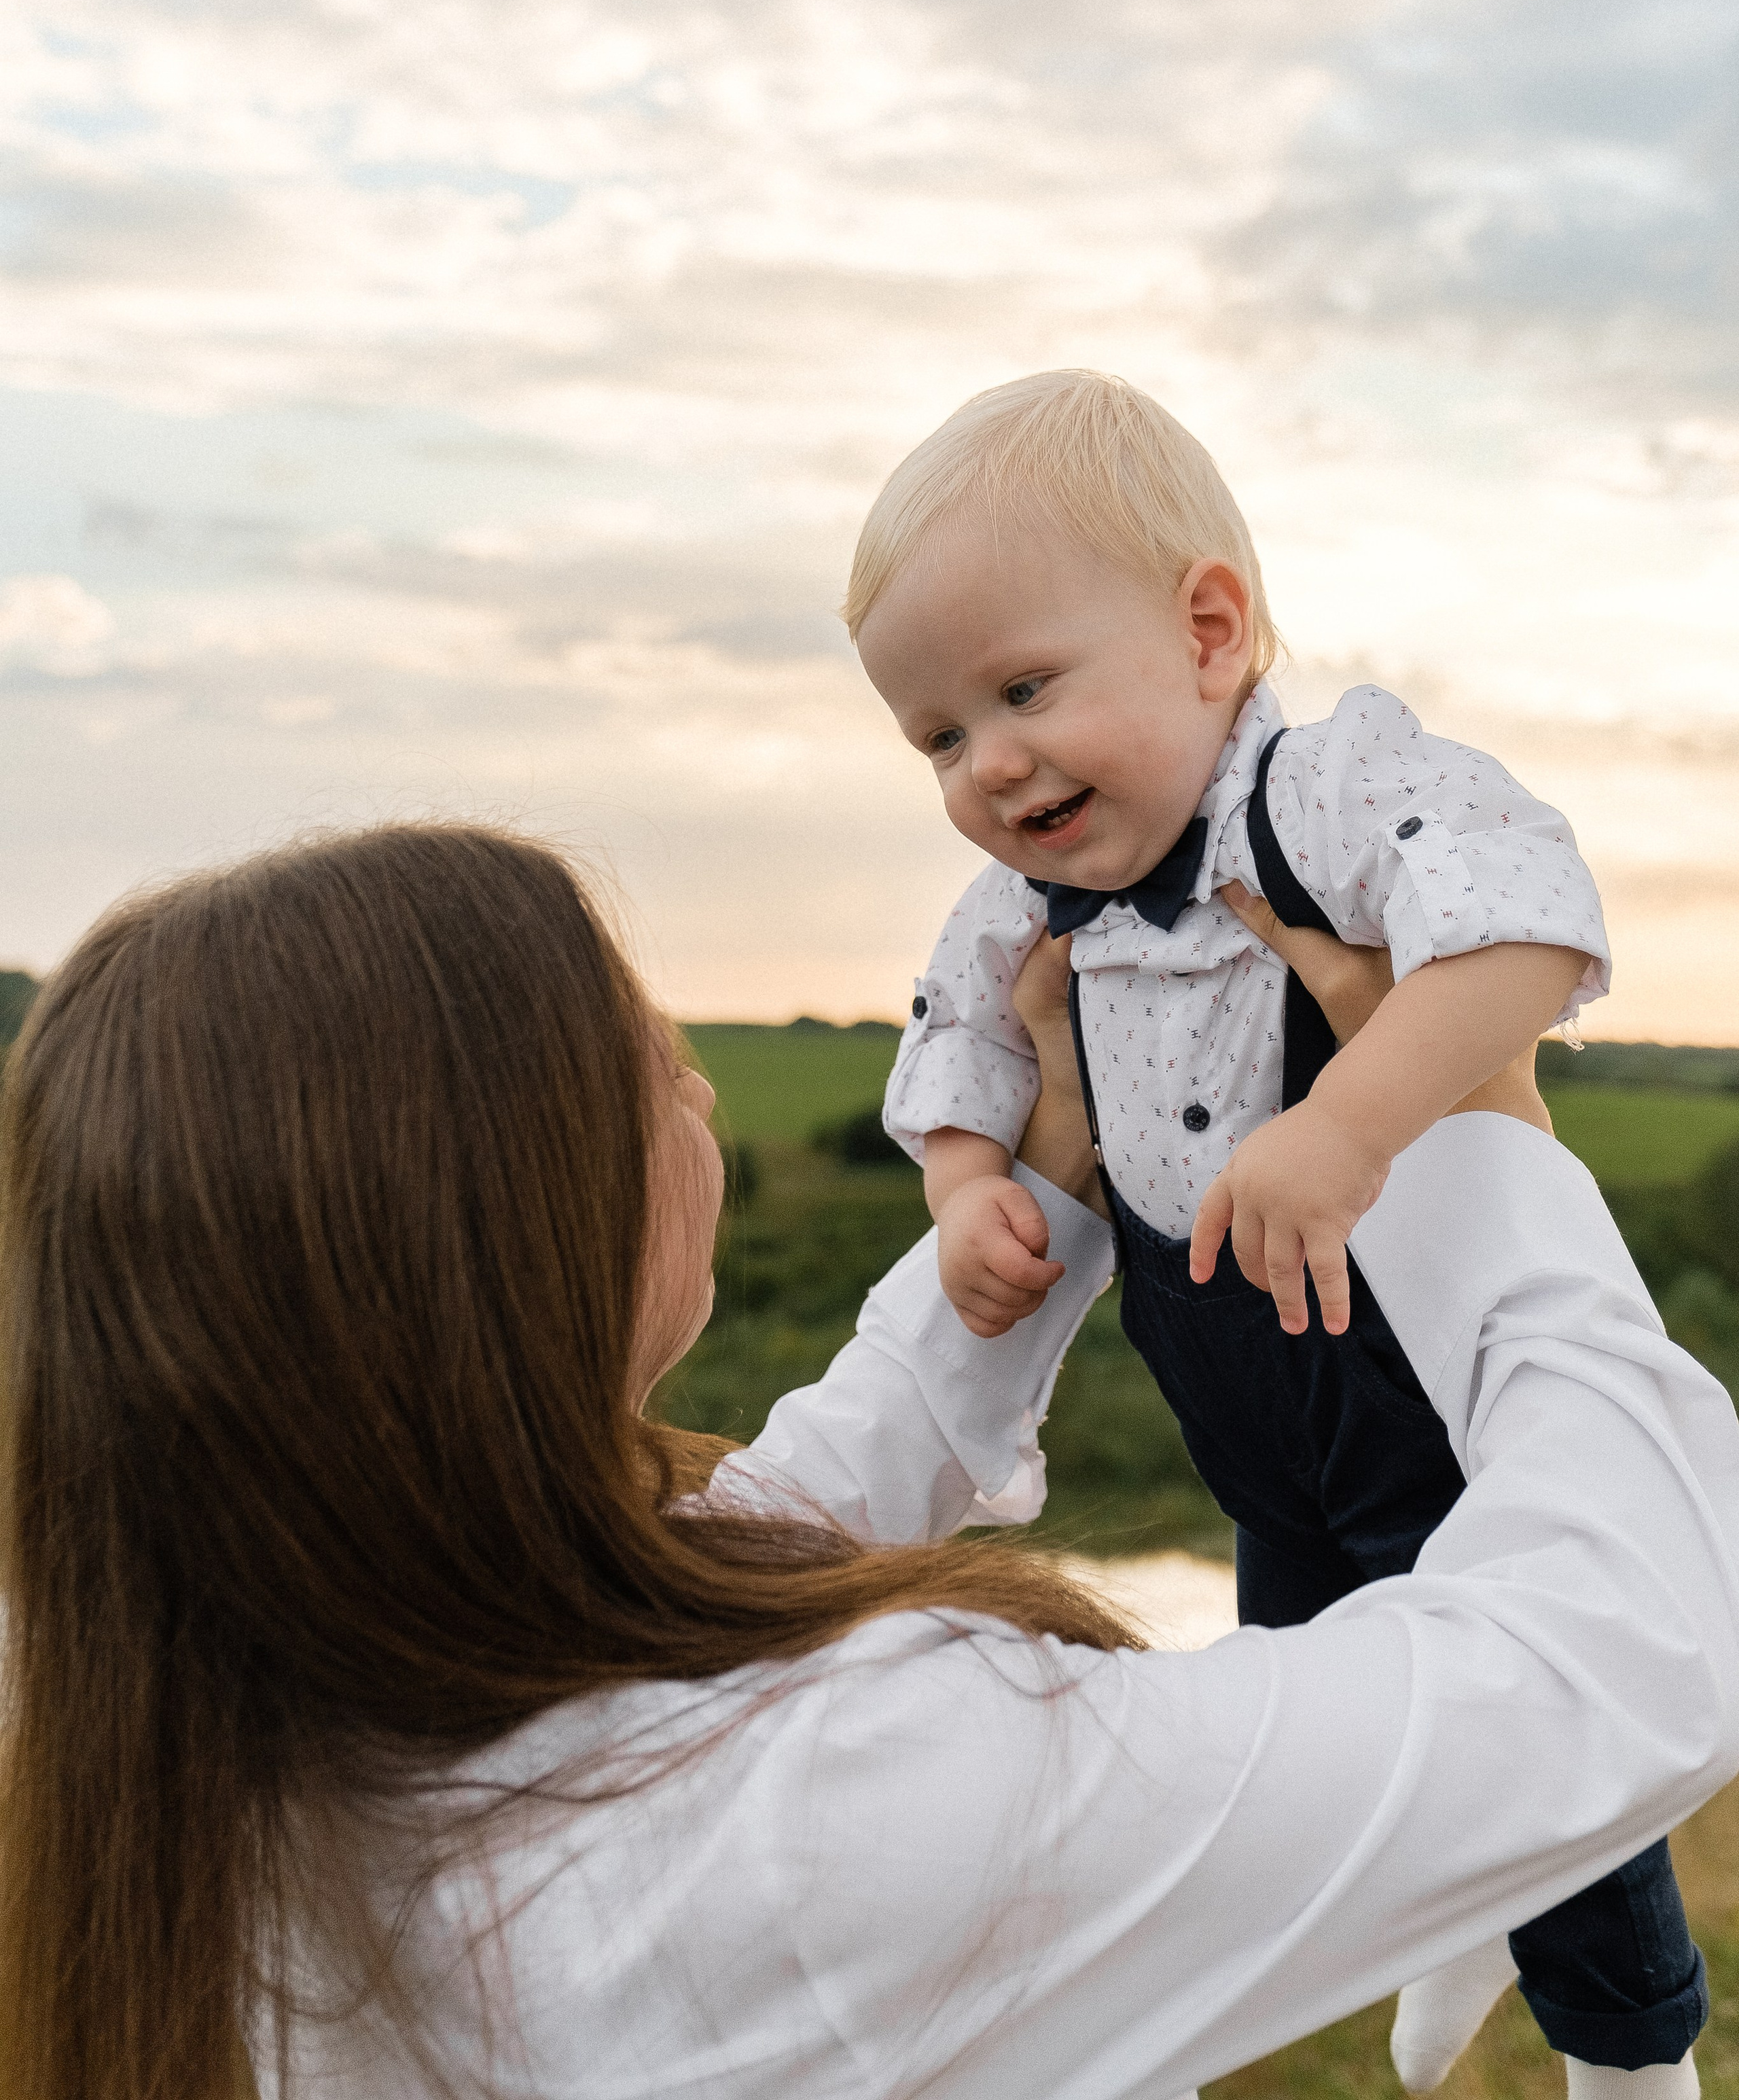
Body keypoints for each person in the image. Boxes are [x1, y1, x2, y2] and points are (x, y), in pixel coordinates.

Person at [1, 827, 1735, 2100]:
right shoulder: (833, 1812)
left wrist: (1043, 1181)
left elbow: (755, 1535)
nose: (692, 1099)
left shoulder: (164, 1688)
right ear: (504, 1240)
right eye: (651, 1068)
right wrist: (1470, 1133)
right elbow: (1605, 1669)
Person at [848, 368, 1706, 2090]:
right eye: (938, 735)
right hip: (1235, 1390)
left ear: (1210, 629)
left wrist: (1347, 1119)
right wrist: (964, 1191)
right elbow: (958, 1038)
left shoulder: (1319, 794)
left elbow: (1527, 923)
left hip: (1405, 1362)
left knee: (1529, 1712)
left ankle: (1632, 2054)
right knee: (1323, 1716)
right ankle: (1443, 1918)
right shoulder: (1025, 899)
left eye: (1021, 690)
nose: (987, 763)